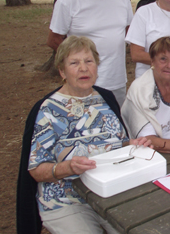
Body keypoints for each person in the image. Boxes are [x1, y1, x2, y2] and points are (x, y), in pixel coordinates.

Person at [17, 36, 152, 234]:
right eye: (74, 63)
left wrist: (132, 144)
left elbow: (117, 143)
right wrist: (67, 167)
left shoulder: (106, 98)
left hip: (110, 192)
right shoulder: (47, 110)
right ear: (62, 71)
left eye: (89, 61)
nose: (83, 68)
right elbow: (36, 169)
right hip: (67, 200)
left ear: (96, 66)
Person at [46, 0, 133, 106]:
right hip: (83, 85)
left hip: (117, 83)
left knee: (115, 127)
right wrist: (78, 63)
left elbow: (130, 31)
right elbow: (53, 39)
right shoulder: (68, 0)